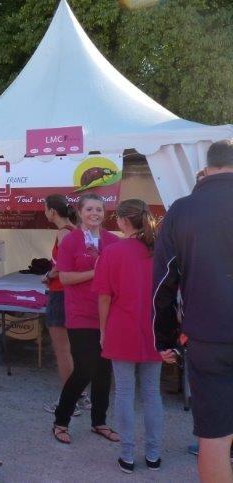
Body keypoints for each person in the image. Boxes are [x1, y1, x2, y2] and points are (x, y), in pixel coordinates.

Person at [154, 139, 233, 482]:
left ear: (207, 166)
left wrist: (165, 339)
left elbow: (163, 284)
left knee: (214, 436)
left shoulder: (182, 210)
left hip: (207, 336)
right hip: (207, 335)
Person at [92, 199, 162, 474]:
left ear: (122, 221)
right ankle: (153, 454)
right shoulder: (161, 250)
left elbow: (104, 298)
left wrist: (103, 330)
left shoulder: (112, 252)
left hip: (121, 328)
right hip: (155, 328)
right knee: (152, 392)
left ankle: (128, 455)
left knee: (124, 391)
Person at [51, 193, 120, 445]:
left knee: (104, 370)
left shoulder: (113, 241)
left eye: (99, 209)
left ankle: (99, 421)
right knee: (85, 368)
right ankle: (61, 420)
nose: (94, 214)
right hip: (80, 314)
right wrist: (96, 271)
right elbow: (65, 277)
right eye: (89, 209)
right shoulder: (71, 240)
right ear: (79, 212)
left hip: (108, 314)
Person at [41, 194, 80, 415]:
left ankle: (69, 402)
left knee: (62, 350)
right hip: (69, 294)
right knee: (70, 349)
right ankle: (78, 396)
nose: (44, 212)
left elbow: (64, 265)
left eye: (45, 208)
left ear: (52, 211)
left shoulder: (64, 233)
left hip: (60, 293)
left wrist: (49, 275)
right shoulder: (74, 230)